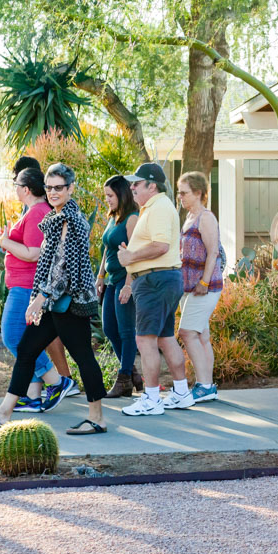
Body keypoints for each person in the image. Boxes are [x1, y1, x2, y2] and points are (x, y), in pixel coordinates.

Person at [0, 163, 109, 434]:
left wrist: (38, 299)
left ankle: (98, 418)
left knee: (83, 357)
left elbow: (62, 267)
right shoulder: (54, 220)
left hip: (69, 303)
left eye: (59, 188)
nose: (53, 192)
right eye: (49, 187)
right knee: (27, 350)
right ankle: (3, 413)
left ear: (71, 189)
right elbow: (47, 264)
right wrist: (40, 298)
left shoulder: (71, 220)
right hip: (54, 302)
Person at [0, 167, 77, 412]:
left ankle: (55, 382)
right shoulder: (37, 211)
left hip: (26, 285)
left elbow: (34, 253)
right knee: (26, 339)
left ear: (25, 188)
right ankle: (32, 395)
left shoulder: (36, 213)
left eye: (16, 186)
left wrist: (5, 242)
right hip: (23, 284)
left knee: (12, 335)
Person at [118, 162, 195, 415]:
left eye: (137, 183)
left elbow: (161, 245)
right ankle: (181, 393)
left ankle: (151, 399)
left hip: (155, 281)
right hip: (161, 279)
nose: (132, 188)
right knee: (165, 337)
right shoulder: (154, 207)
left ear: (152, 186)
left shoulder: (159, 207)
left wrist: (131, 257)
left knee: (145, 339)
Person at [177, 170, 225, 403]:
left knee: (187, 333)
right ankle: (208, 385)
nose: (180, 197)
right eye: (179, 193)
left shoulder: (206, 217)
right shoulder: (188, 218)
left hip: (205, 287)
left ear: (198, 193)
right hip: (190, 287)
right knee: (202, 336)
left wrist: (204, 282)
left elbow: (213, 251)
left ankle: (204, 385)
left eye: (184, 193)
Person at [96, 175, 141, 398]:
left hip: (125, 279)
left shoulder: (132, 218)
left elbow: (133, 254)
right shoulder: (114, 217)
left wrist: (130, 285)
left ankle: (124, 378)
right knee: (109, 329)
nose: (107, 200)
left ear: (121, 194)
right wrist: (100, 275)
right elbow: (107, 248)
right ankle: (132, 372)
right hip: (111, 279)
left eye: (110, 195)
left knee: (125, 331)